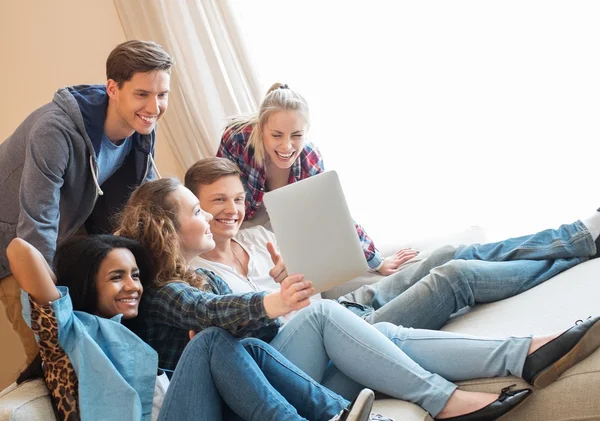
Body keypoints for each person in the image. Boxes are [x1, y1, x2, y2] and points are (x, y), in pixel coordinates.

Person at [118, 177, 600, 420]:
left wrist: (280, 300)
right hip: (254, 390)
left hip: (279, 369)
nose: (212, 216)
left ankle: (523, 353)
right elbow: (213, 319)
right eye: (200, 208)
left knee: (381, 333)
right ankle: (450, 397)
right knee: (334, 313)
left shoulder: (214, 271)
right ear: (167, 227)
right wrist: (273, 304)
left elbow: (244, 330)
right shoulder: (163, 292)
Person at [186, 157, 600, 332]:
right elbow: (253, 334)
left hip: (345, 306)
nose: (232, 210)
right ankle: (579, 244)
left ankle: (578, 237)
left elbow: (323, 272)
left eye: (238, 198)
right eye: (218, 200)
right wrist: (280, 295)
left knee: (444, 255)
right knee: (453, 278)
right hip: (338, 335)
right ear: (195, 207)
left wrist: (302, 272)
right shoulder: (200, 278)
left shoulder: (261, 237)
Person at [8, 235, 379, 421]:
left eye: (135, 275)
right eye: (116, 277)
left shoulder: (130, 335)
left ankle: (337, 413)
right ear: (88, 284)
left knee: (243, 347)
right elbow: (19, 250)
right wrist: (60, 287)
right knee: (210, 340)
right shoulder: (69, 335)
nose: (133, 286)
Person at [0, 40, 173, 364]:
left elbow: (148, 200)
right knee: (51, 349)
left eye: (162, 94)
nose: (154, 107)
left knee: (96, 340)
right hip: (13, 240)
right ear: (113, 88)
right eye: (142, 94)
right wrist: (56, 315)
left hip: (69, 227)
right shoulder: (54, 131)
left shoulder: (143, 126)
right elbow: (36, 227)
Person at [217, 83, 417, 277]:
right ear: (261, 130)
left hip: (285, 222)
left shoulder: (309, 158)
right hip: (243, 216)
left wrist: (378, 262)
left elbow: (334, 212)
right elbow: (218, 188)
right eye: (276, 135)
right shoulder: (237, 139)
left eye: (296, 135)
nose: (286, 146)